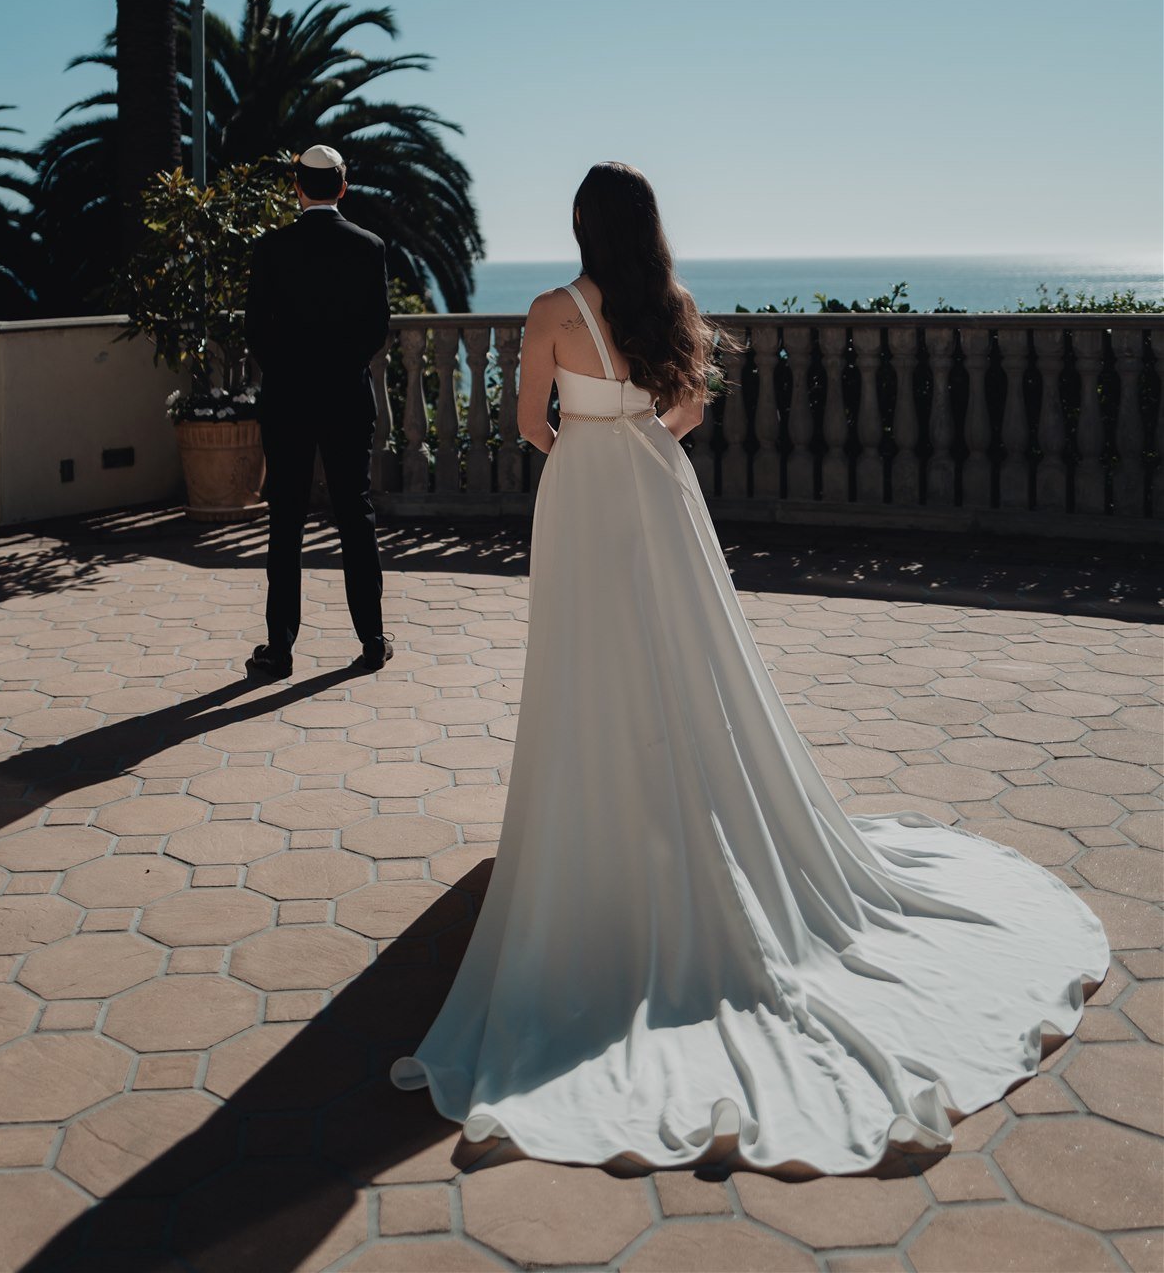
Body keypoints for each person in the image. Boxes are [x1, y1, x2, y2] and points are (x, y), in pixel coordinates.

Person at [391, 161, 1108, 1174]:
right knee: (690, 663)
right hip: (661, 485)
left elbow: (523, 424)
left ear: (583, 223)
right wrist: (638, 434)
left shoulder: (552, 306)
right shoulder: (672, 303)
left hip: (588, 490)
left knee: (588, 668)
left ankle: (598, 837)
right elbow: (690, 408)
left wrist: (587, 447)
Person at [243, 144, 393, 681]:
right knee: (356, 515)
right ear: (343, 187)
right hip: (347, 400)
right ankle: (372, 640)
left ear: (296, 186)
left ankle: (279, 649)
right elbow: (376, 329)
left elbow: (255, 331)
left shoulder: (270, 248)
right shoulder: (369, 247)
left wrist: (291, 371)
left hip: (287, 401)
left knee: (286, 521)